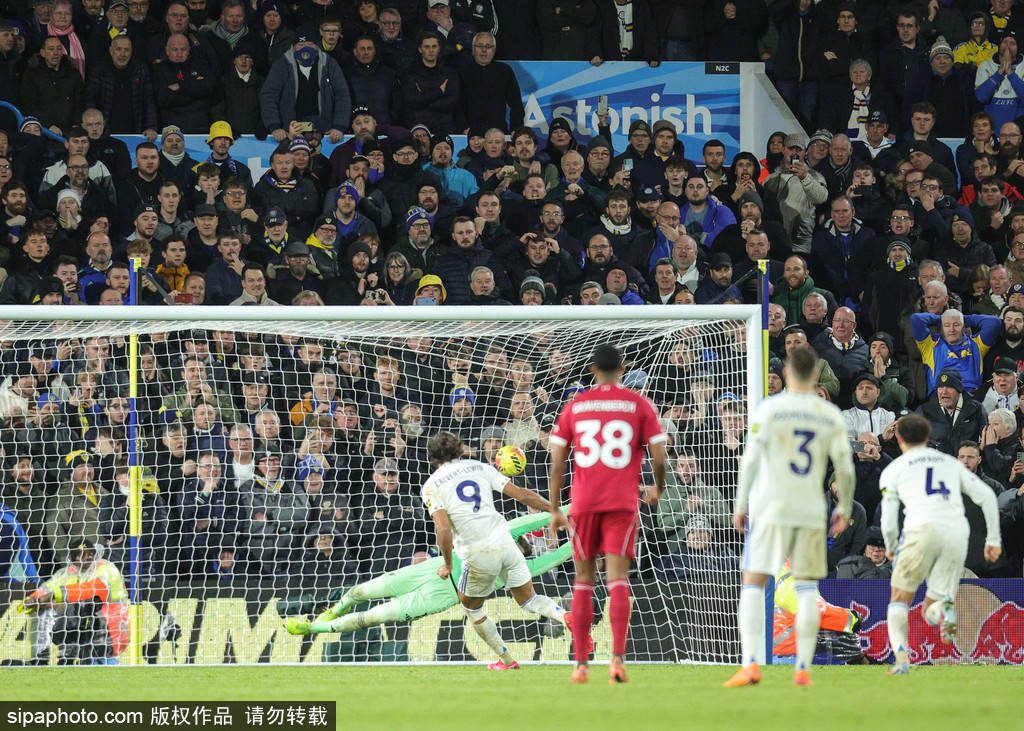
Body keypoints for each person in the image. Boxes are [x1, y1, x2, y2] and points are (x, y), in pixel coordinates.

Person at [724, 347, 855, 688]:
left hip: (771, 506)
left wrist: (740, 505)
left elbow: (751, 460)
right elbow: (845, 467)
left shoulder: (770, 409)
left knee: (753, 583)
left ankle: (750, 664)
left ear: (785, 374)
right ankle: (802, 668)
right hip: (810, 509)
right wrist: (844, 507)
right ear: (816, 376)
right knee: (808, 588)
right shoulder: (829, 414)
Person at [548, 344, 668, 684]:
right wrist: (658, 487)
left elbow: (557, 462)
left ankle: (581, 665)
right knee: (617, 581)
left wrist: (555, 508)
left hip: (584, 503)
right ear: (623, 368)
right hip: (621, 502)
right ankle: (617, 660)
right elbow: (659, 455)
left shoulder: (576, 405)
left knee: (583, 581)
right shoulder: (638, 404)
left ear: (591, 370)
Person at [414, 431, 571, 670]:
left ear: (432, 457)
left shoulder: (432, 485)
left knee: (471, 607)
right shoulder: (479, 467)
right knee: (529, 599)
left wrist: (447, 564)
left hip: (478, 552)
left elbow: (443, 528)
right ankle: (564, 615)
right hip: (505, 542)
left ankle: (507, 660)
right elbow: (523, 495)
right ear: (459, 449)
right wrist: (555, 510)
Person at [284, 510, 573, 638]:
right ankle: (334, 611)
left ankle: (313, 629)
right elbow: (531, 521)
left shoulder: (516, 571)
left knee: (371, 618)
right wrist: (570, 509)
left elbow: (553, 558)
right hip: (427, 571)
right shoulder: (498, 536)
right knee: (357, 592)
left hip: (438, 597)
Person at [879, 414, 1002, 675]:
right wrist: (993, 539)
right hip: (956, 535)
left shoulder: (894, 469)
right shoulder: (950, 464)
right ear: (927, 437)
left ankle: (901, 660)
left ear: (899, 438)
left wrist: (890, 545)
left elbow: (888, 517)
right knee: (930, 606)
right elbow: (988, 496)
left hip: (920, 532)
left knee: (899, 600)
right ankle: (943, 610)